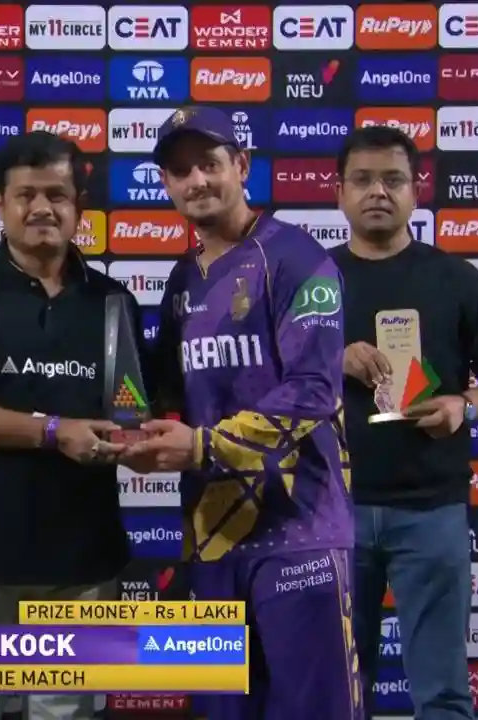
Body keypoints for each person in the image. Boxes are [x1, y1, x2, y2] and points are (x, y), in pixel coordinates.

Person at [120, 106, 361, 719]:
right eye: (180, 171)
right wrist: (137, 436)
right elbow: (172, 395)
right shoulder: (182, 279)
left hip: (300, 535)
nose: (196, 180)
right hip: (213, 544)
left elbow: (313, 390)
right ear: (166, 184)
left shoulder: (297, 257)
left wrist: (200, 446)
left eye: (209, 163)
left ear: (242, 165)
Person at [0, 131, 139, 720]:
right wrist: (53, 430)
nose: (42, 208)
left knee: (68, 713)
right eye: (26, 195)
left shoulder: (114, 302)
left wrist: (138, 441)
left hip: (82, 559)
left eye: (57, 195)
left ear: (79, 205)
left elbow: (133, 413)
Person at [328, 125, 478, 719]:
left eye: (393, 179)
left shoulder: (456, 279)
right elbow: (268, 375)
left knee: (442, 694)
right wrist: (331, 357)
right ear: (339, 193)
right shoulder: (311, 283)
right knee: (335, 692)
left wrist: (466, 405)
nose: (378, 192)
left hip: (432, 510)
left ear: (417, 191)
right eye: (363, 180)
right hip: (331, 510)